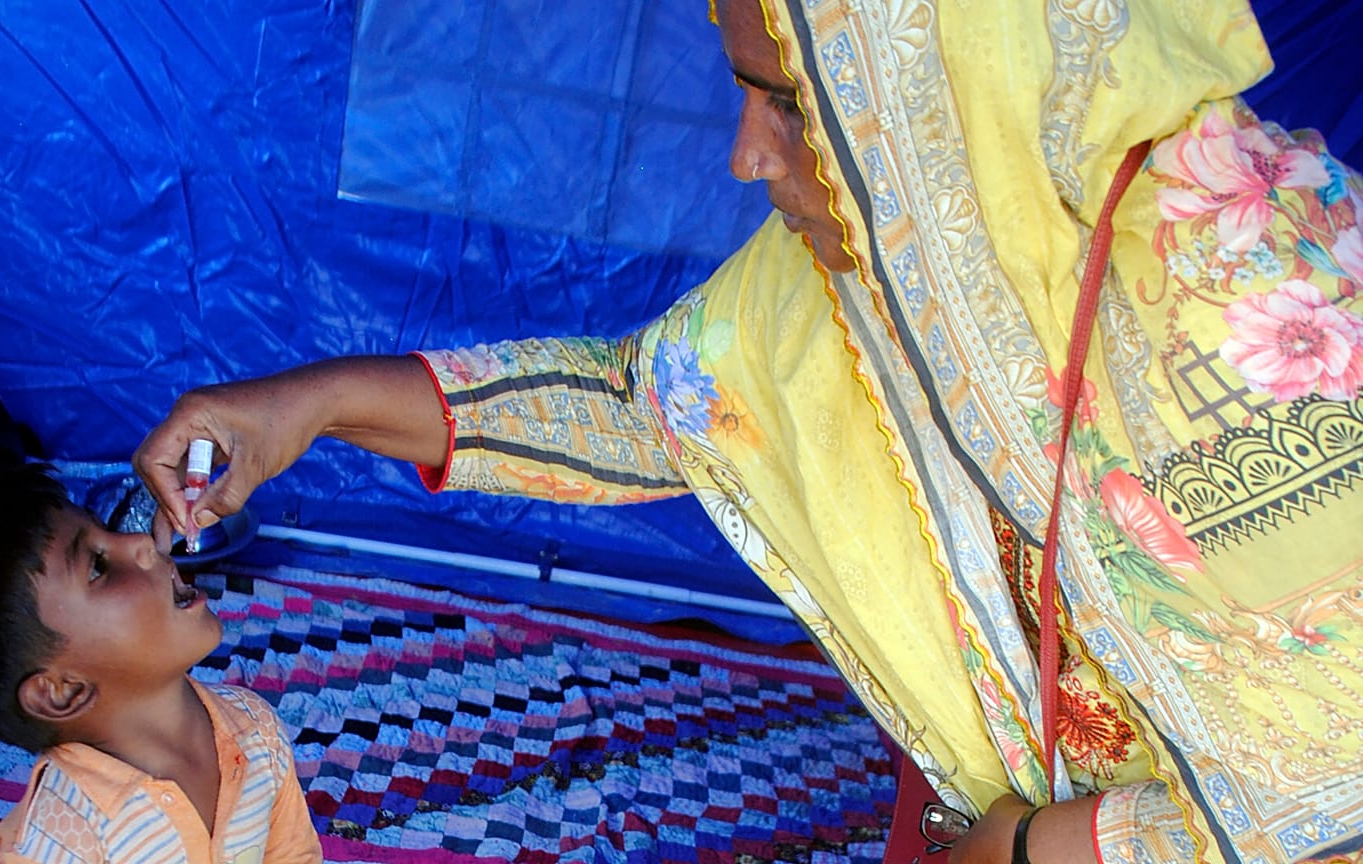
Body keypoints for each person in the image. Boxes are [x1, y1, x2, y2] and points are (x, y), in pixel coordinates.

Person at [134, 0, 1363, 861]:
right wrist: (308, 407)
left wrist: (1045, 852)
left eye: (788, 102)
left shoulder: (1271, 285)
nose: (742, 155)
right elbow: (643, 405)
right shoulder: (884, 270)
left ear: (927, 80)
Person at [0, 464, 323, 864]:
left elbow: (294, 854)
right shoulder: (62, 840)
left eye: (107, 530)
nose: (140, 543)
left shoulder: (255, 731)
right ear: (62, 690)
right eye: (96, 567)